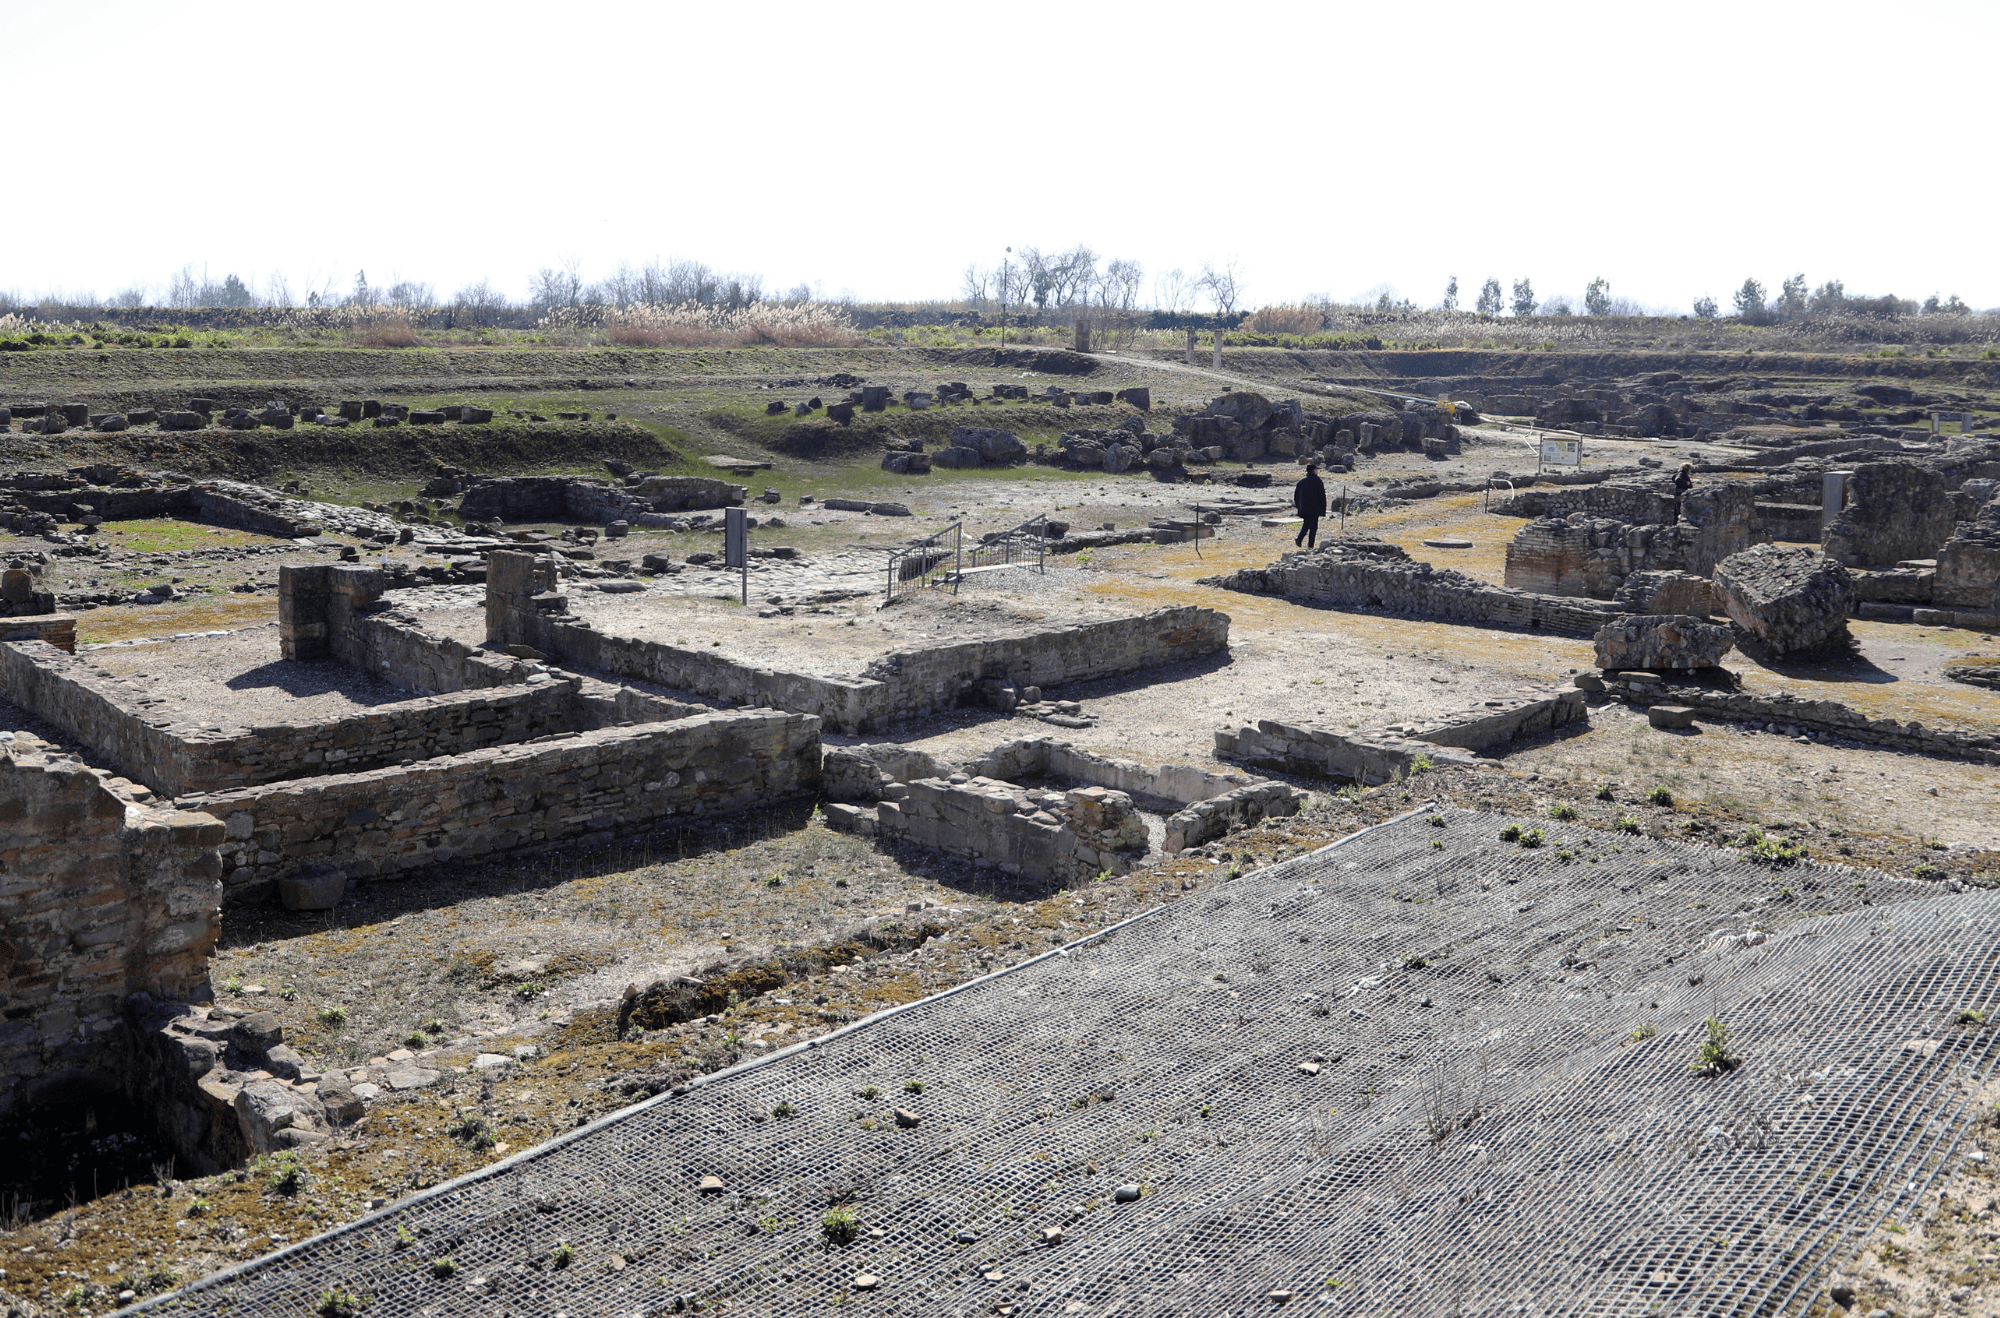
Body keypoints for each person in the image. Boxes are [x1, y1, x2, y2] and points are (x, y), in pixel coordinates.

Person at [1293, 463, 1327, 548]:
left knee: (1306, 524)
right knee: (1313, 527)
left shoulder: (1301, 481)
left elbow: (1296, 496)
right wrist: (1323, 507)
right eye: (1316, 470)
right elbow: (1321, 495)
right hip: (1315, 508)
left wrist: (1299, 506)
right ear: (1314, 470)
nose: (1317, 471)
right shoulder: (1318, 481)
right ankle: (1310, 545)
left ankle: (1299, 539)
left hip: (1304, 508)